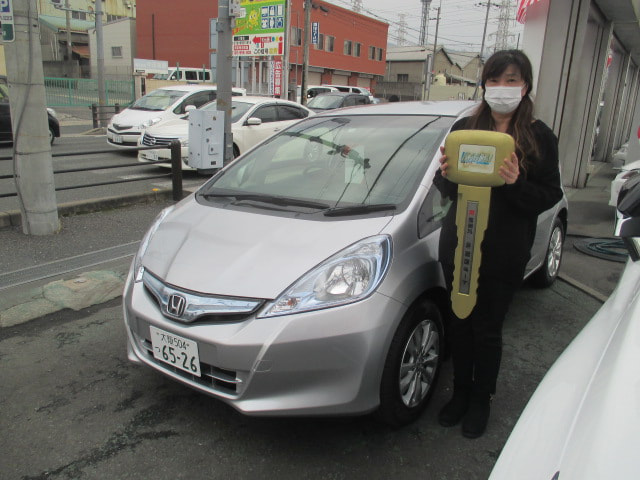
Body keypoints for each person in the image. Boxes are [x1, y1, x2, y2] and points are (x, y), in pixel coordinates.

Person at [433, 49, 563, 438]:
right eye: (494, 79)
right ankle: (460, 393)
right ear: (484, 84)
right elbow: (447, 190)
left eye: (511, 80)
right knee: (459, 322)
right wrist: (445, 174)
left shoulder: (539, 136)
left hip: (503, 251)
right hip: (460, 242)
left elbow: (549, 195)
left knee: (487, 329)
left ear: (525, 86)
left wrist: (515, 183)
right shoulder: (465, 128)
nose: (501, 87)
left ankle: (481, 399)